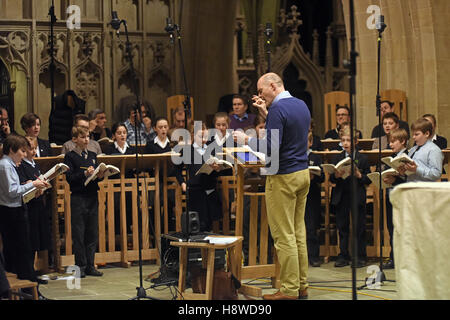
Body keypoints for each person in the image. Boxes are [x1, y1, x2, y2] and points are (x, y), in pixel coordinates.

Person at [233, 72, 311, 300]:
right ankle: (301, 286)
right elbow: (288, 133)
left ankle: (288, 290)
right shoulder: (301, 105)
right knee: (298, 234)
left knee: (284, 237)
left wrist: (246, 140)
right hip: (302, 173)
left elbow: (270, 148)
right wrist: (266, 112)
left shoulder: (278, 109)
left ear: (273, 86)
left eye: (261, 91)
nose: (259, 95)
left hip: (283, 176)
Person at [0, 134, 49, 296]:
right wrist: (33, 184)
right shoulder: (6, 166)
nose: (24, 154)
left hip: (14, 211)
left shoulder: (9, 165)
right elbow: (12, 192)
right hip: (11, 213)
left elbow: (15, 188)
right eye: (22, 150)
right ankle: (27, 290)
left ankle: (26, 289)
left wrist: (28, 186)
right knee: (21, 251)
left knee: (21, 251)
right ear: (13, 150)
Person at [64, 126, 104, 278]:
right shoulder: (70, 156)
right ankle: (80, 265)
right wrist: (83, 173)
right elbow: (70, 178)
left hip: (92, 196)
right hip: (78, 198)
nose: (87, 140)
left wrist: (100, 175)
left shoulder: (93, 155)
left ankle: (90, 265)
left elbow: (97, 174)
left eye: (88, 137)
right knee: (79, 233)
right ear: (75, 139)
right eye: (83, 137)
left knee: (92, 232)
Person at [330, 126, 371, 268]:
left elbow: (368, 179)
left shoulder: (362, 158)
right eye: (343, 140)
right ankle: (343, 255)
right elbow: (332, 179)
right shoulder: (337, 157)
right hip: (342, 195)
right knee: (342, 227)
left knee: (359, 226)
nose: (346, 143)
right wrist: (335, 175)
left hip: (357, 194)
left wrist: (360, 175)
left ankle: (360, 256)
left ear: (356, 141)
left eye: (348, 140)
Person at [175, 123, 222, 232]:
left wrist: (217, 168)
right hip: (195, 190)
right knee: (197, 223)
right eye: (201, 136)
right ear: (193, 135)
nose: (204, 139)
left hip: (210, 190)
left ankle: (210, 243)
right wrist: (182, 183)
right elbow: (177, 169)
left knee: (210, 222)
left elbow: (217, 171)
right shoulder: (188, 150)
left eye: (206, 136)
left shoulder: (212, 149)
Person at [16, 137, 51, 284]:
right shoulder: (21, 165)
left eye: (34, 148)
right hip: (28, 208)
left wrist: (43, 186)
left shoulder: (34, 164)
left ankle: (33, 272)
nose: (34, 151)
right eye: (30, 149)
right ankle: (28, 274)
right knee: (29, 242)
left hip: (38, 206)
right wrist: (32, 185)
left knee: (36, 241)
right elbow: (23, 184)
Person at [381, 128, 409, 269]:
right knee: (391, 228)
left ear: (403, 141)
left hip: (403, 198)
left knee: (403, 228)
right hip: (390, 196)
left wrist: (396, 180)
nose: (391, 144)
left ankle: (404, 259)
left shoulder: (408, 157)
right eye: (390, 142)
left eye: (393, 142)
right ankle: (393, 258)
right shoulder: (390, 158)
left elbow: (409, 179)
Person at [105, 123, 136, 236]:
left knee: (130, 205)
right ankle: (116, 234)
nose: (122, 135)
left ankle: (129, 232)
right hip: (114, 184)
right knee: (116, 208)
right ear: (114, 135)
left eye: (124, 133)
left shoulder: (131, 149)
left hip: (129, 183)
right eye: (119, 133)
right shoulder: (109, 150)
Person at [398, 118, 443, 182]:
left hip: (424, 188)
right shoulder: (413, 149)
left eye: (416, 134)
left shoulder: (434, 150)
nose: (413, 137)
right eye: (413, 134)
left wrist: (417, 169)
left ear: (427, 134)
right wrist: (403, 172)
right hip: (410, 186)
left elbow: (436, 174)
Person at [305, 132, 325, 267]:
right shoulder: (295, 156)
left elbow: (322, 177)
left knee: (312, 227)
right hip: (299, 195)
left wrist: (314, 177)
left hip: (312, 195)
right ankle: (302, 257)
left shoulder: (315, 157)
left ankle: (314, 256)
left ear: (311, 143)